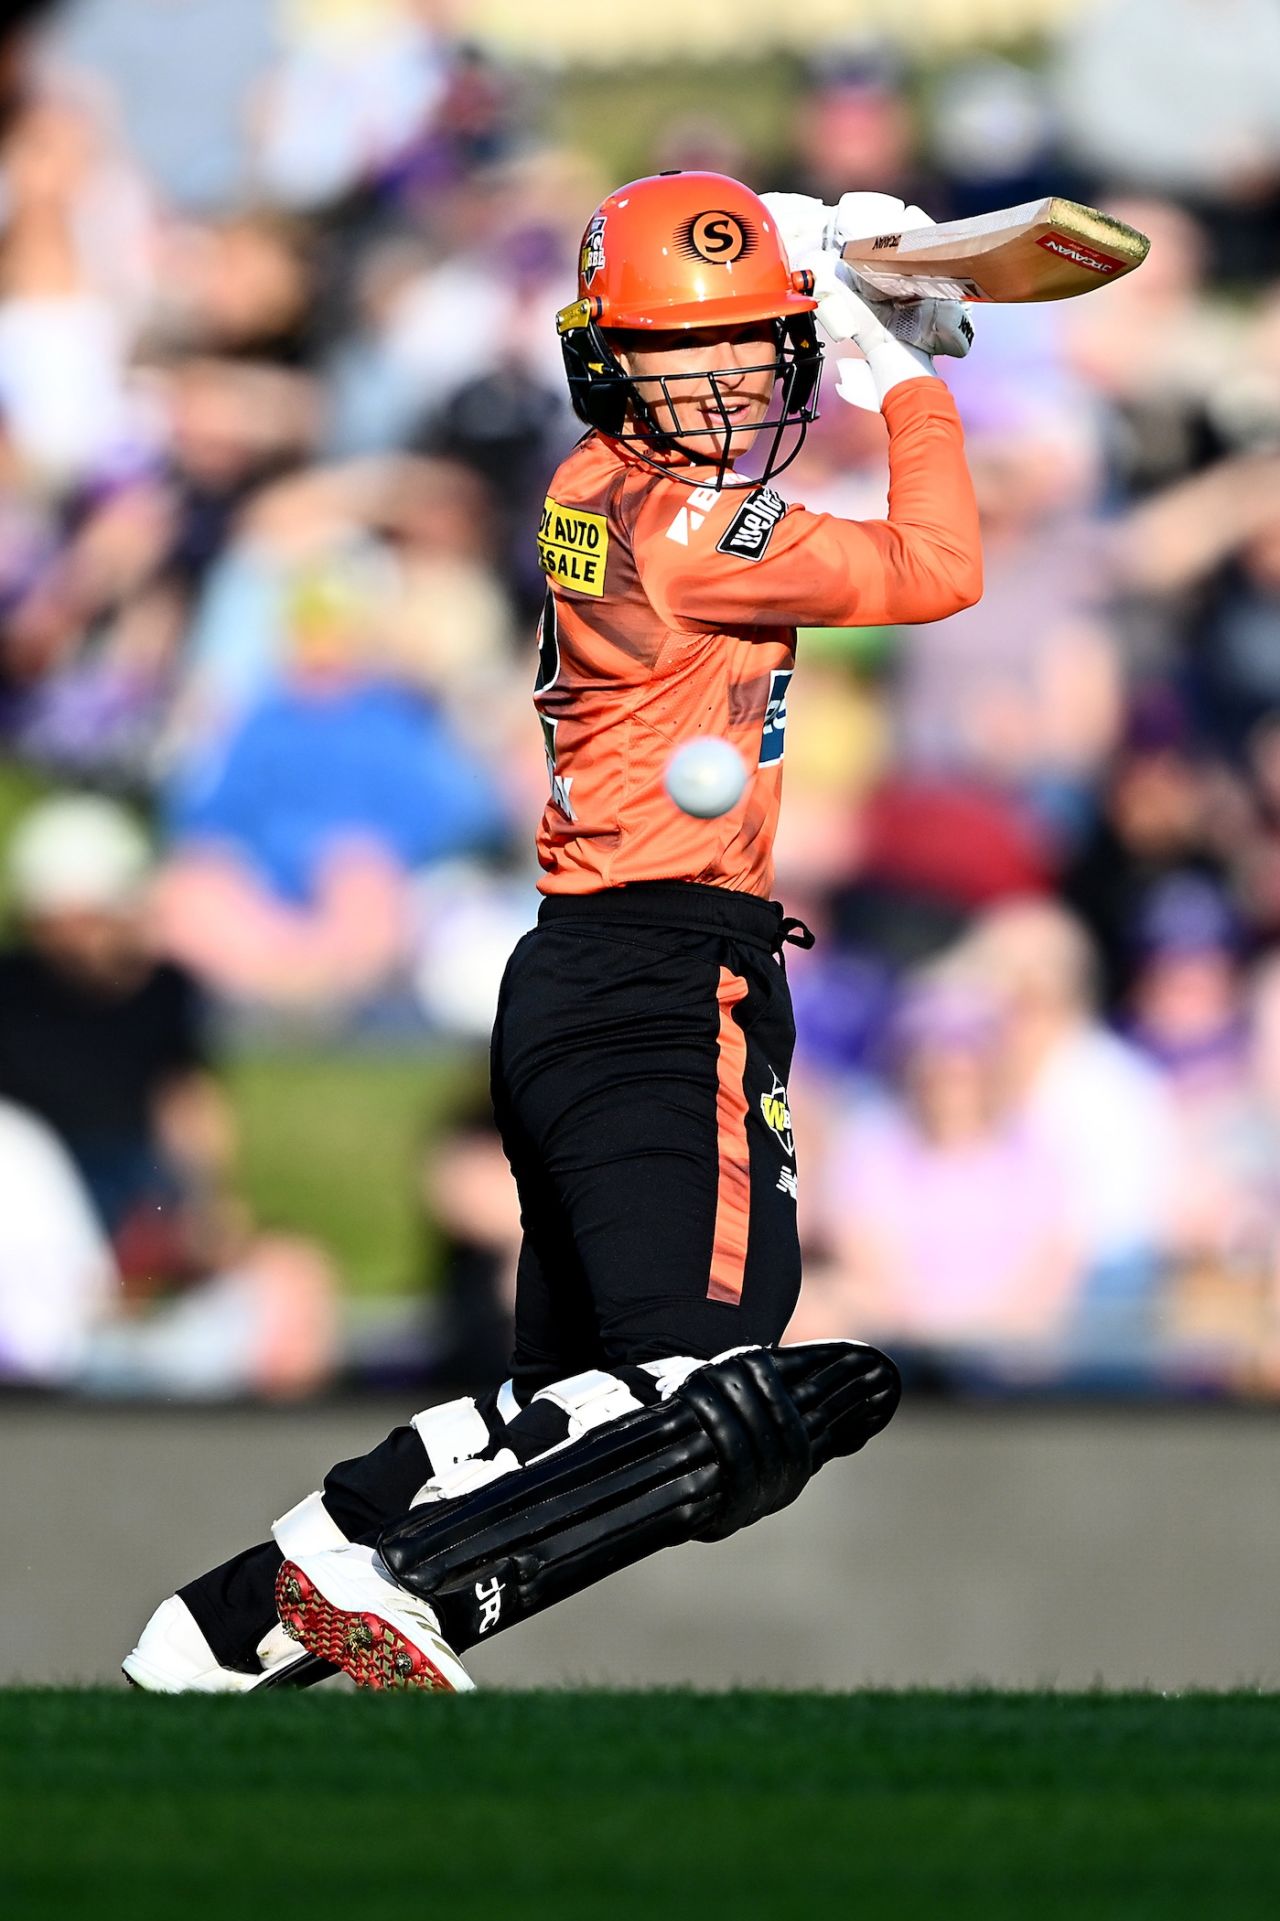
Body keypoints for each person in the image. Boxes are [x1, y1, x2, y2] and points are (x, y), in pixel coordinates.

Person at [123, 170, 981, 1694]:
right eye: (682, 354)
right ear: (612, 363)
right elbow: (939, 566)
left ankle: (241, 1612)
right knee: (713, 1388)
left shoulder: (590, 484)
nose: (724, 383)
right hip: (667, 974)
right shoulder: (698, 528)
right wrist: (904, 375)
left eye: (743, 349)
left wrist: (806, 267)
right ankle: (397, 1584)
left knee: (571, 1394)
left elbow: (735, 437)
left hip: (577, 973)